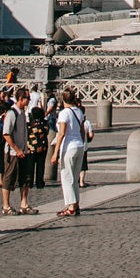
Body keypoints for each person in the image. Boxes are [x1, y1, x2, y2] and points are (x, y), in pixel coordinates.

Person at [55, 89, 89, 217]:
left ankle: (70, 206)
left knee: (67, 177)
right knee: (75, 178)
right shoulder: (79, 112)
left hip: (68, 147)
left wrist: (55, 152)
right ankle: (76, 204)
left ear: (63, 100)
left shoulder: (64, 113)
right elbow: (82, 131)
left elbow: (62, 133)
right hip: (79, 146)